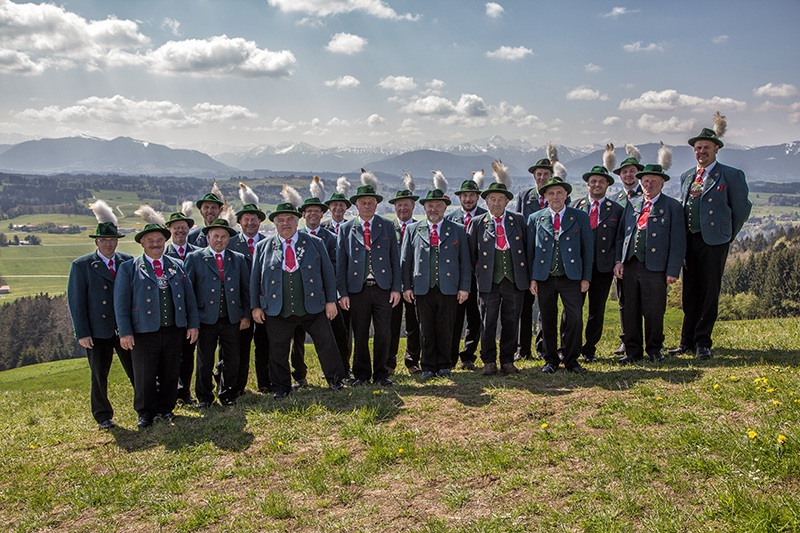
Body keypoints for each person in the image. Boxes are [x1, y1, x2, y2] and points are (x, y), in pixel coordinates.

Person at [671, 125, 752, 360]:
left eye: (706, 147)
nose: (702, 151)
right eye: (698, 148)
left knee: (708, 292)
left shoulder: (731, 175)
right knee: (690, 292)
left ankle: (703, 341)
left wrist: (727, 235)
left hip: (715, 242)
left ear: (716, 149)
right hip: (690, 240)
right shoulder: (687, 176)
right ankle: (686, 341)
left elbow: (742, 209)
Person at [251, 203, 347, 398]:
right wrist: (256, 307)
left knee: (326, 343)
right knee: (278, 351)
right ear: (275, 223)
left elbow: (327, 273)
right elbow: (254, 279)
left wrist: (330, 301)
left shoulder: (314, 242)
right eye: (281, 220)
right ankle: (281, 387)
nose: (285, 224)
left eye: (289, 220)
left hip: (313, 308)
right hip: (277, 310)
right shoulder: (263, 247)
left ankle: (335, 381)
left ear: (297, 222)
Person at [115, 222, 199, 429]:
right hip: (143, 331)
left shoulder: (176, 265)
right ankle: (145, 412)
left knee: (170, 370)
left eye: (159, 240)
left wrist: (193, 325)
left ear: (165, 242)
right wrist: (125, 332)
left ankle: (166, 408)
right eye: (150, 240)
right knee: (145, 373)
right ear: (142, 243)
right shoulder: (129, 268)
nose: (155, 244)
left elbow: (189, 298)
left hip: (173, 329)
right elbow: (121, 303)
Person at [67, 201, 134, 430]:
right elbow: (76, 302)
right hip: (97, 330)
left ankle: (147, 406)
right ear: (97, 241)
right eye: (104, 240)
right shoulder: (82, 265)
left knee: (137, 369)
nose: (109, 244)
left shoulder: (128, 262)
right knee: (99, 375)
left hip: (124, 328)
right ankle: (103, 415)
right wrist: (82, 332)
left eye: (113, 240)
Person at [614, 164, 686, 364]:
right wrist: (618, 261)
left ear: (662, 183)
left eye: (654, 181)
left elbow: (678, 242)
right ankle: (633, 351)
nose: (649, 184)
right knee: (630, 309)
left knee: (654, 310)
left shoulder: (672, 206)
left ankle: (654, 349)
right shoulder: (632, 203)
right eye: (645, 181)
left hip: (656, 267)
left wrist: (672, 270)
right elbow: (621, 235)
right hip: (630, 265)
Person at [336, 184, 402, 387]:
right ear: (356, 205)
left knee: (383, 332)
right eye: (363, 203)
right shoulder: (346, 228)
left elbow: (395, 259)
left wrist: (396, 288)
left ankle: (381, 374)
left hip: (383, 288)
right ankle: (362, 374)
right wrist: (342, 293)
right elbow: (341, 263)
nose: (367, 206)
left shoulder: (387, 225)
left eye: (371, 203)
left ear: (376, 205)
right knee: (361, 333)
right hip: (357, 289)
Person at [401, 189, 470, 380]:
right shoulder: (412, 230)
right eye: (430, 206)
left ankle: (445, 365)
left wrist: (464, 287)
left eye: (438, 206)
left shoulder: (457, 229)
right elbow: (405, 262)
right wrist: (406, 286)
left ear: (445, 208)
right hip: (422, 288)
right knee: (425, 328)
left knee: (446, 327)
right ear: (424, 208)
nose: (434, 209)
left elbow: (465, 261)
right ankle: (428, 366)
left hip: (448, 287)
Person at [529, 177, 593, 374]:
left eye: (559, 192)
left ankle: (571, 359)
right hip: (545, 277)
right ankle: (550, 360)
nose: (555, 196)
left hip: (571, 277)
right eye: (551, 193)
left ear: (566, 195)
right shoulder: (536, 218)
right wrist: (533, 277)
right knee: (547, 318)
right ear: (545, 197)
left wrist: (586, 278)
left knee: (574, 318)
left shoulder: (579, 216)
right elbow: (531, 250)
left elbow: (587, 249)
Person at [185, 219, 250, 407]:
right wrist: (192, 321)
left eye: (223, 237)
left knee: (232, 358)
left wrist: (245, 314)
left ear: (228, 238)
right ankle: (204, 397)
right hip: (205, 319)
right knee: (205, 360)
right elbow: (189, 292)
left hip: (231, 318)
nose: (219, 240)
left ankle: (228, 394)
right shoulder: (195, 258)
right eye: (216, 236)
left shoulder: (237, 259)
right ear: (208, 237)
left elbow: (245, 289)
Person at [467, 182, 529, 376]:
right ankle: (488, 360)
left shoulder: (518, 220)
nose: (496, 203)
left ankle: (508, 360)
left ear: (507, 201)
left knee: (511, 321)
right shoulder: (477, 222)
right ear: (486, 201)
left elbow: (527, 249)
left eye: (500, 199)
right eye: (492, 199)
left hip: (514, 280)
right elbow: (470, 254)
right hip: (488, 282)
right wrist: (480, 275)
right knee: (488, 321)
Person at [290, 196, 345, 388]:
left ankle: (335, 375)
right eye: (309, 211)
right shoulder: (294, 237)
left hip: (320, 296)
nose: (313, 214)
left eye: (317, 211)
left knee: (327, 337)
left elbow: (333, 269)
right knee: (297, 339)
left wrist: (331, 296)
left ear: (323, 214)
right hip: (297, 297)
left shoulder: (330, 238)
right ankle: (299, 375)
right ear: (303, 215)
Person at [572, 166, 623, 363]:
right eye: (593, 181)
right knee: (573, 309)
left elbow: (619, 239)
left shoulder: (617, 210)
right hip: (578, 268)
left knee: (597, 310)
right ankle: (571, 347)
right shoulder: (575, 207)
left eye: (601, 181)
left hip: (602, 268)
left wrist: (617, 261)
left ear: (608, 185)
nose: (597, 185)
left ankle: (590, 348)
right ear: (587, 183)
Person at [226, 185, 271, 395]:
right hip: (240, 305)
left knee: (265, 345)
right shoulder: (230, 244)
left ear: (260, 222)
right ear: (240, 222)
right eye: (246, 219)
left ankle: (265, 382)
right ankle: (237, 386)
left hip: (265, 304)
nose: (250, 223)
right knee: (239, 348)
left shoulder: (268, 243)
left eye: (254, 219)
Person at [515, 158, 559, 361]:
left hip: (548, 258)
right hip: (526, 256)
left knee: (545, 305)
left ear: (551, 175)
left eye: (546, 174)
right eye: (539, 174)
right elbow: (517, 224)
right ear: (534, 176)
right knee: (524, 305)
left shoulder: (557, 195)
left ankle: (543, 348)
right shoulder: (525, 196)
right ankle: (522, 349)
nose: (542, 178)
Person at [444, 178, 486, 370]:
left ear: (478, 197)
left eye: (471, 195)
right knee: (454, 318)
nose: (468, 199)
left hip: (479, 276)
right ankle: (450, 356)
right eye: (464, 196)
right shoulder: (449, 219)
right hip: (456, 277)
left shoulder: (487, 217)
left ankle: (468, 356)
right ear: (459, 198)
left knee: (475, 318)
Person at [164, 209, 201, 404]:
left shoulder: (198, 253)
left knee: (188, 356)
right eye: (176, 227)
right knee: (171, 357)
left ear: (189, 229)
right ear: (169, 230)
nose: (180, 231)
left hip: (193, 312)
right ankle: (170, 393)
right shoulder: (162, 254)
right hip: (170, 313)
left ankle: (185, 392)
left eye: (183, 228)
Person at [611, 153, 645, 356]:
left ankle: (652, 340)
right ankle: (627, 340)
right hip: (622, 259)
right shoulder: (615, 200)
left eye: (632, 171)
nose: (628, 175)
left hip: (643, 256)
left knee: (649, 301)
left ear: (639, 174)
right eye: (624, 172)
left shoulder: (649, 193)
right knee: (625, 302)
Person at [388, 189, 421, 375]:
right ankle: (389, 363)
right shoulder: (387, 228)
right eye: (399, 205)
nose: (402, 208)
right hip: (391, 285)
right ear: (394, 207)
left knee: (413, 325)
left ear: (413, 206)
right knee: (390, 326)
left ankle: (412, 362)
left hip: (414, 284)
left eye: (406, 204)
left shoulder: (420, 227)